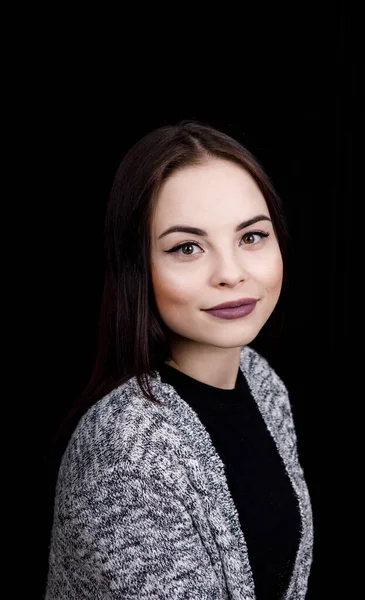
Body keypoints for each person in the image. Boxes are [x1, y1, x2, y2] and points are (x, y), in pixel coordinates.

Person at [45, 119, 313, 599]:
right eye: (187, 247)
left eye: (251, 237)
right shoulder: (126, 453)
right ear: (138, 267)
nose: (231, 273)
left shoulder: (262, 381)